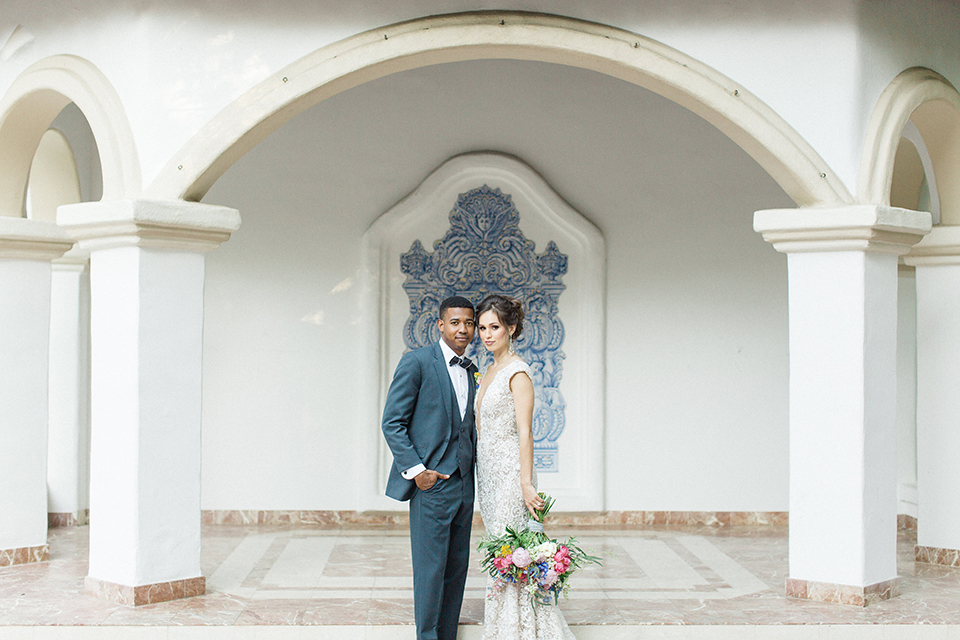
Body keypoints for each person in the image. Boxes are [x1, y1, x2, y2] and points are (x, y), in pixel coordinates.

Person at [474, 294, 576, 640]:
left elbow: (525, 431)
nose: (487, 335)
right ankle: (506, 626)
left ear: (511, 328)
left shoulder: (518, 372)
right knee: (498, 549)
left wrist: (526, 483)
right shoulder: (488, 369)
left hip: (510, 477)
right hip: (486, 477)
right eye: (483, 328)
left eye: (495, 327)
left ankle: (521, 631)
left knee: (512, 553)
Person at [381, 296, 479, 640]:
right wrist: (417, 471)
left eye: (468, 323)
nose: (462, 329)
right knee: (430, 570)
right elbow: (392, 422)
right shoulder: (418, 362)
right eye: (455, 322)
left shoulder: (471, 368)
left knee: (456, 569)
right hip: (432, 484)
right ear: (440, 325)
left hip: (465, 486)